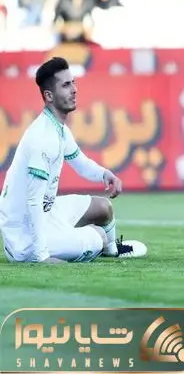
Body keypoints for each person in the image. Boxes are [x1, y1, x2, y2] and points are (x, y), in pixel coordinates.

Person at [0, 57, 147, 264]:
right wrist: (42, 257)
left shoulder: (58, 129)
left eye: (73, 83)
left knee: (103, 208)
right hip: (24, 236)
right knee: (99, 235)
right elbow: (33, 202)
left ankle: (112, 251)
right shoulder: (41, 138)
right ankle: (84, 246)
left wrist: (105, 174)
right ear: (49, 95)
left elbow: (81, 163)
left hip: (46, 213)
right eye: (66, 85)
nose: (74, 89)